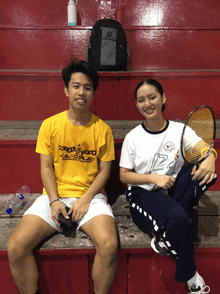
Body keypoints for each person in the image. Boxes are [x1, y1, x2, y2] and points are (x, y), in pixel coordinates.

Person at [7, 60, 118, 294]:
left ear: (93, 92)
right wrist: (54, 201)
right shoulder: (49, 125)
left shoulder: (103, 129)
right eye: (76, 86)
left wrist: (86, 199)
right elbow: (46, 168)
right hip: (55, 195)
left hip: (91, 196)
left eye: (87, 87)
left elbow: (105, 171)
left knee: (109, 246)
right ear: (66, 90)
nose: (81, 92)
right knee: (16, 248)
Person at [119, 79, 217, 294]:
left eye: (152, 97)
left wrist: (211, 156)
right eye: (141, 100)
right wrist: (154, 178)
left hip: (172, 191)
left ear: (163, 99)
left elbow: (202, 148)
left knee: (209, 173)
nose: (147, 104)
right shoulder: (133, 138)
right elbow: (124, 176)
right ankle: (192, 277)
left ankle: (167, 230)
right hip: (143, 193)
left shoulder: (179, 130)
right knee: (179, 218)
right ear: (137, 105)